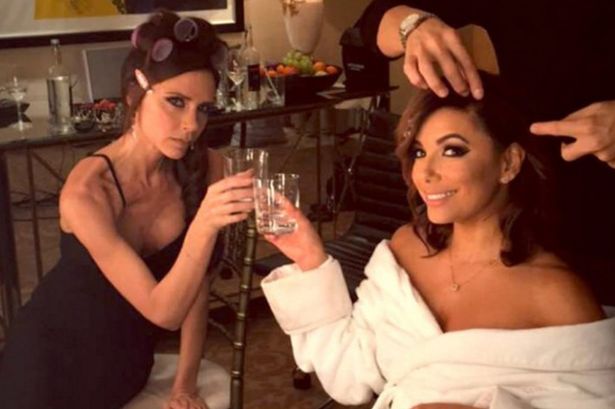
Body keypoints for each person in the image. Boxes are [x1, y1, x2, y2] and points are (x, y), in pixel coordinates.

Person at [260, 72, 615, 409]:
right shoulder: (406, 250)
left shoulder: (555, 294)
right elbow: (349, 375)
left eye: (452, 150)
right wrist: (311, 259)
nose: (425, 173)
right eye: (419, 152)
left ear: (508, 163)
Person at [0, 10, 254, 409]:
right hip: (45, 362)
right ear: (135, 94)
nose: (191, 125)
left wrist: (185, 383)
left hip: (125, 366)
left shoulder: (207, 167)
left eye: (203, 108)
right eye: (176, 102)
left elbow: (196, 287)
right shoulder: (87, 191)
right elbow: (163, 311)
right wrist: (205, 224)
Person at [357, 0, 615, 303]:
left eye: (452, 150)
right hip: (535, 210)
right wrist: (413, 26)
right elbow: (374, 21)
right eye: (419, 151)